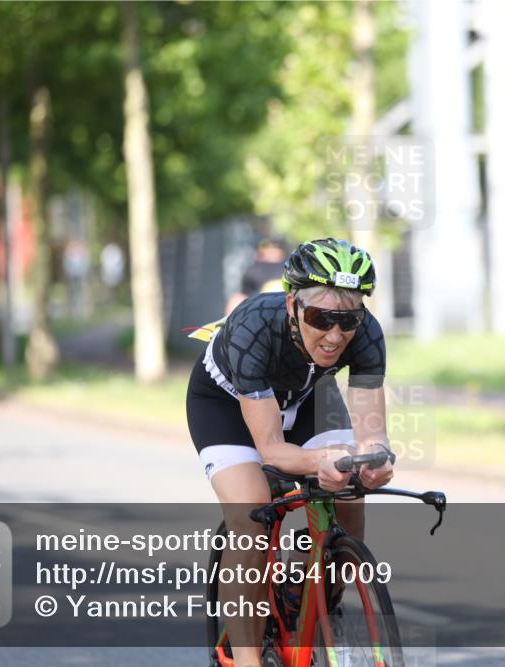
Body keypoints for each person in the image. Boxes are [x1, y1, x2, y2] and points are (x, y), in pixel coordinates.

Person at [187, 238, 392, 667]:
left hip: (308, 397)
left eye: (348, 319)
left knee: (351, 495)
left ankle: (309, 595)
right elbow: (273, 450)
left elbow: (373, 434)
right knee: (251, 510)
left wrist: (376, 460)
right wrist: (321, 462)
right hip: (226, 403)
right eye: (321, 318)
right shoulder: (252, 327)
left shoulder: (367, 333)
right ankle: (248, 660)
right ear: (292, 306)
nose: (335, 335)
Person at [224, 238, 288, 315]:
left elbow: (242, 296)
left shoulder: (252, 270)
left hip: (262, 312)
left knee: (236, 299)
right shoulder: (293, 268)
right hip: (286, 311)